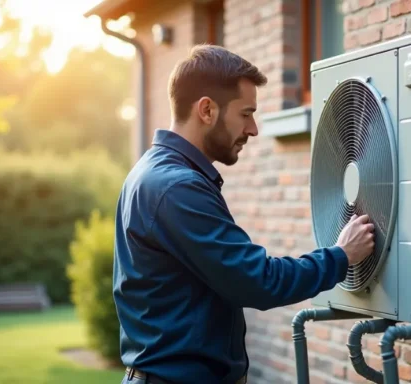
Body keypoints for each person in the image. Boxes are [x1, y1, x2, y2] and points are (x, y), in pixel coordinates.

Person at [114, 44, 376, 384]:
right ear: (206, 110)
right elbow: (257, 281)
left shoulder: (153, 173)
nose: (253, 129)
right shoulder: (177, 188)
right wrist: (341, 256)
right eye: (246, 113)